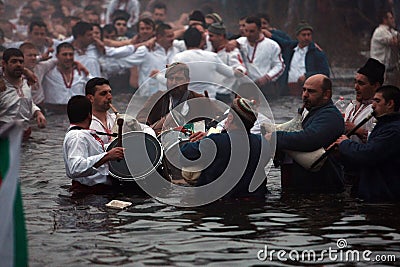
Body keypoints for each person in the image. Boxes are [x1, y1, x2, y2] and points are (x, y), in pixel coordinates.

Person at [266, 74, 344, 193]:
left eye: (311, 91)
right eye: (304, 90)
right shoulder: (309, 112)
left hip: (320, 187)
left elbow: (309, 139)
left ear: (326, 95)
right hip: (301, 183)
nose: (305, 95)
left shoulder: (330, 116)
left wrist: (276, 137)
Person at [180, 97, 271, 199]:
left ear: (231, 118)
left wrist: (205, 139)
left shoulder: (215, 141)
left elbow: (184, 154)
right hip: (254, 200)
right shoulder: (262, 143)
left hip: (217, 202)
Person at [334, 85, 400, 201]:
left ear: (390, 104)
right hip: (375, 194)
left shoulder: (393, 130)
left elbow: (369, 153)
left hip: (385, 197)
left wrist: (345, 144)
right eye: (373, 100)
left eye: (377, 101)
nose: (373, 105)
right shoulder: (384, 125)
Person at [136, 62, 222, 135]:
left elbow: (221, 119)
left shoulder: (199, 100)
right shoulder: (157, 98)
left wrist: (206, 133)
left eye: (178, 79)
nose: (174, 83)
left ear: (187, 80)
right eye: (171, 78)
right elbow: (140, 120)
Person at [63, 95, 124, 193]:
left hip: (100, 190)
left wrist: (113, 148)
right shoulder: (77, 136)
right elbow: (75, 167)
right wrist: (107, 156)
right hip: (89, 193)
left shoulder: (82, 133)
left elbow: (95, 151)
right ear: (89, 115)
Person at [266, 21, 330, 96]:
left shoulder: (317, 53)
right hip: (287, 90)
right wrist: (267, 31)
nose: (306, 37)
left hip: (308, 90)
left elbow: (325, 73)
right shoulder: (290, 48)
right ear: (297, 36)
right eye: (304, 35)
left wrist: (307, 76)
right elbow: (279, 40)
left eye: (309, 35)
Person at [171, 27, 236, 99]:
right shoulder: (212, 57)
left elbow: (169, 78)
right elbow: (231, 73)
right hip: (209, 101)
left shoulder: (179, 58)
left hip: (188, 101)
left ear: (185, 42)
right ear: (201, 41)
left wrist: (157, 75)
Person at [85, 77, 155, 144]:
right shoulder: (85, 124)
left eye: (110, 92)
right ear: (90, 98)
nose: (109, 97)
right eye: (103, 94)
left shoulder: (116, 118)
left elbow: (146, 129)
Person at [0, 48, 46, 140]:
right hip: (5, 138)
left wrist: (38, 113)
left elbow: (27, 102)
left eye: (21, 62)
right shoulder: (1, 85)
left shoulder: (26, 83)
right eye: (14, 61)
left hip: (25, 135)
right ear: (4, 64)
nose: (18, 65)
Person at [234, 16, 285, 97]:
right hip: (244, 87)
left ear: (260, 30)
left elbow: (280, 66)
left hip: (265, 87)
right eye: (246, 31)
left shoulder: (272, 45)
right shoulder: (240, 42)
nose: (248, 34)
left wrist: (267, 77)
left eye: (252, 31)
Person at [344, 58, 385, 143]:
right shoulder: (351, 105)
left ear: (375, 86)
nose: (356, 87)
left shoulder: (380, 110)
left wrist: (358, 131)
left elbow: (382, 142)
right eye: (355, 82)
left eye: (361, 83)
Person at [42, 42, 90, 113]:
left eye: (71, 54)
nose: (68, 57)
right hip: (53, 114)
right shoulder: (47, 74)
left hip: (78, 114)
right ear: (57, 56)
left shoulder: (81, 73)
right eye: (64, 55)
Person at [207, 22, 246, 104]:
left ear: (221, 36)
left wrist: (239, 71)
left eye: (211, 36)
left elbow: (240, 67)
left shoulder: (231, 52)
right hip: (209, 94)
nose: (209, 39)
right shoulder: (209, 49)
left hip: (223, 96)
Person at [370, 10, 400, 87]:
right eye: (391, 18)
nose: (393, 20)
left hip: (386, 67)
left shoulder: (390, 31)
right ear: (385, 19)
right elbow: (394, 41)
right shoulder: (379, 31)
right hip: (376, 67)